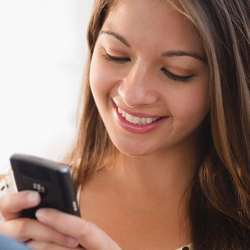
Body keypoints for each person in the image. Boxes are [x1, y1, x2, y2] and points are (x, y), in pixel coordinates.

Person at [0, 0, 249, 249]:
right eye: (115, 55)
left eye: (176, 71)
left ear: (226, 83)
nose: (132, 94)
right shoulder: (13, 201)